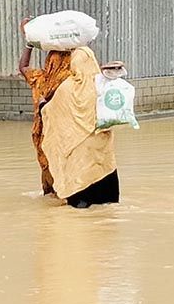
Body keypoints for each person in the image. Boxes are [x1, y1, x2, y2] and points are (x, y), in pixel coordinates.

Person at [19, 20, 120, 208]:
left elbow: (48, 109)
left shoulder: (59, 87)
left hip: (77, 168)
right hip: (103, 168)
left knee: (76, 210)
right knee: (106, 212)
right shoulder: (101, 86)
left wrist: (29, 42)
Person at [19, 19, 72, 196]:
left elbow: (23, 67)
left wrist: (29, 44)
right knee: (61, 185)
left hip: (45, 140)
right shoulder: (70, 80)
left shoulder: (41, 80)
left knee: (50, 188)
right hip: (60, 141)